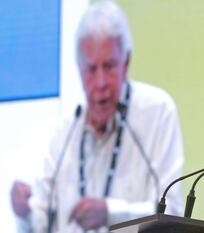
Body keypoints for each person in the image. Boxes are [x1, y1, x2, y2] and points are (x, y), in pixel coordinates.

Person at [10, 1, 184, 232]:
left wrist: (110, 214)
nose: (100, 82)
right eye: (91, 69)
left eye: (109, 66)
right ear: (80, 72)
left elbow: (171, 216)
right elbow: (41, 225)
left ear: (126, 62)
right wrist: (23, 212)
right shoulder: (65, 132)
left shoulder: (156, 112)